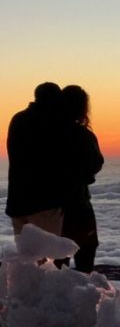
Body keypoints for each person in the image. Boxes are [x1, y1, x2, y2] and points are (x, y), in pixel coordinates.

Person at [5, 82, 67, 236]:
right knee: (49, 255)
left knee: (26, 256)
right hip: (43, 202)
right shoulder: (50, 121)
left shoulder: (18, 118)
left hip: (17, 202)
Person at [55, 85, 104, 273]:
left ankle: (55, 297)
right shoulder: (83, 134)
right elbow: (96, 162)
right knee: (86, 250)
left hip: (49, 206)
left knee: (57, 258)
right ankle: (84, 295)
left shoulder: (46, 133)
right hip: (78, 203)